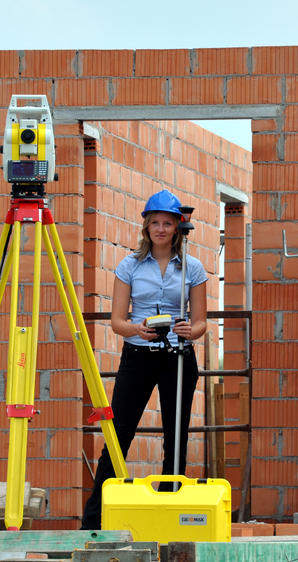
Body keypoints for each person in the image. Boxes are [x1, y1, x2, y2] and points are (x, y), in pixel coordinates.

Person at [80, 189, 208, 530]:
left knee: (175, 437)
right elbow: (118, 322)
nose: (162, 229)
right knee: (118, 434)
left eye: (168, 223)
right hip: (138, 355)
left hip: (177, 357)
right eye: (156, 223)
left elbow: (202, 323)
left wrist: (188, 331)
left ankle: (169, 515)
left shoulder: (192, 267)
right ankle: (94, 520)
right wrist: (137, 328)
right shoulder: (129, 265)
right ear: (146, 226)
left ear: (179, 227)